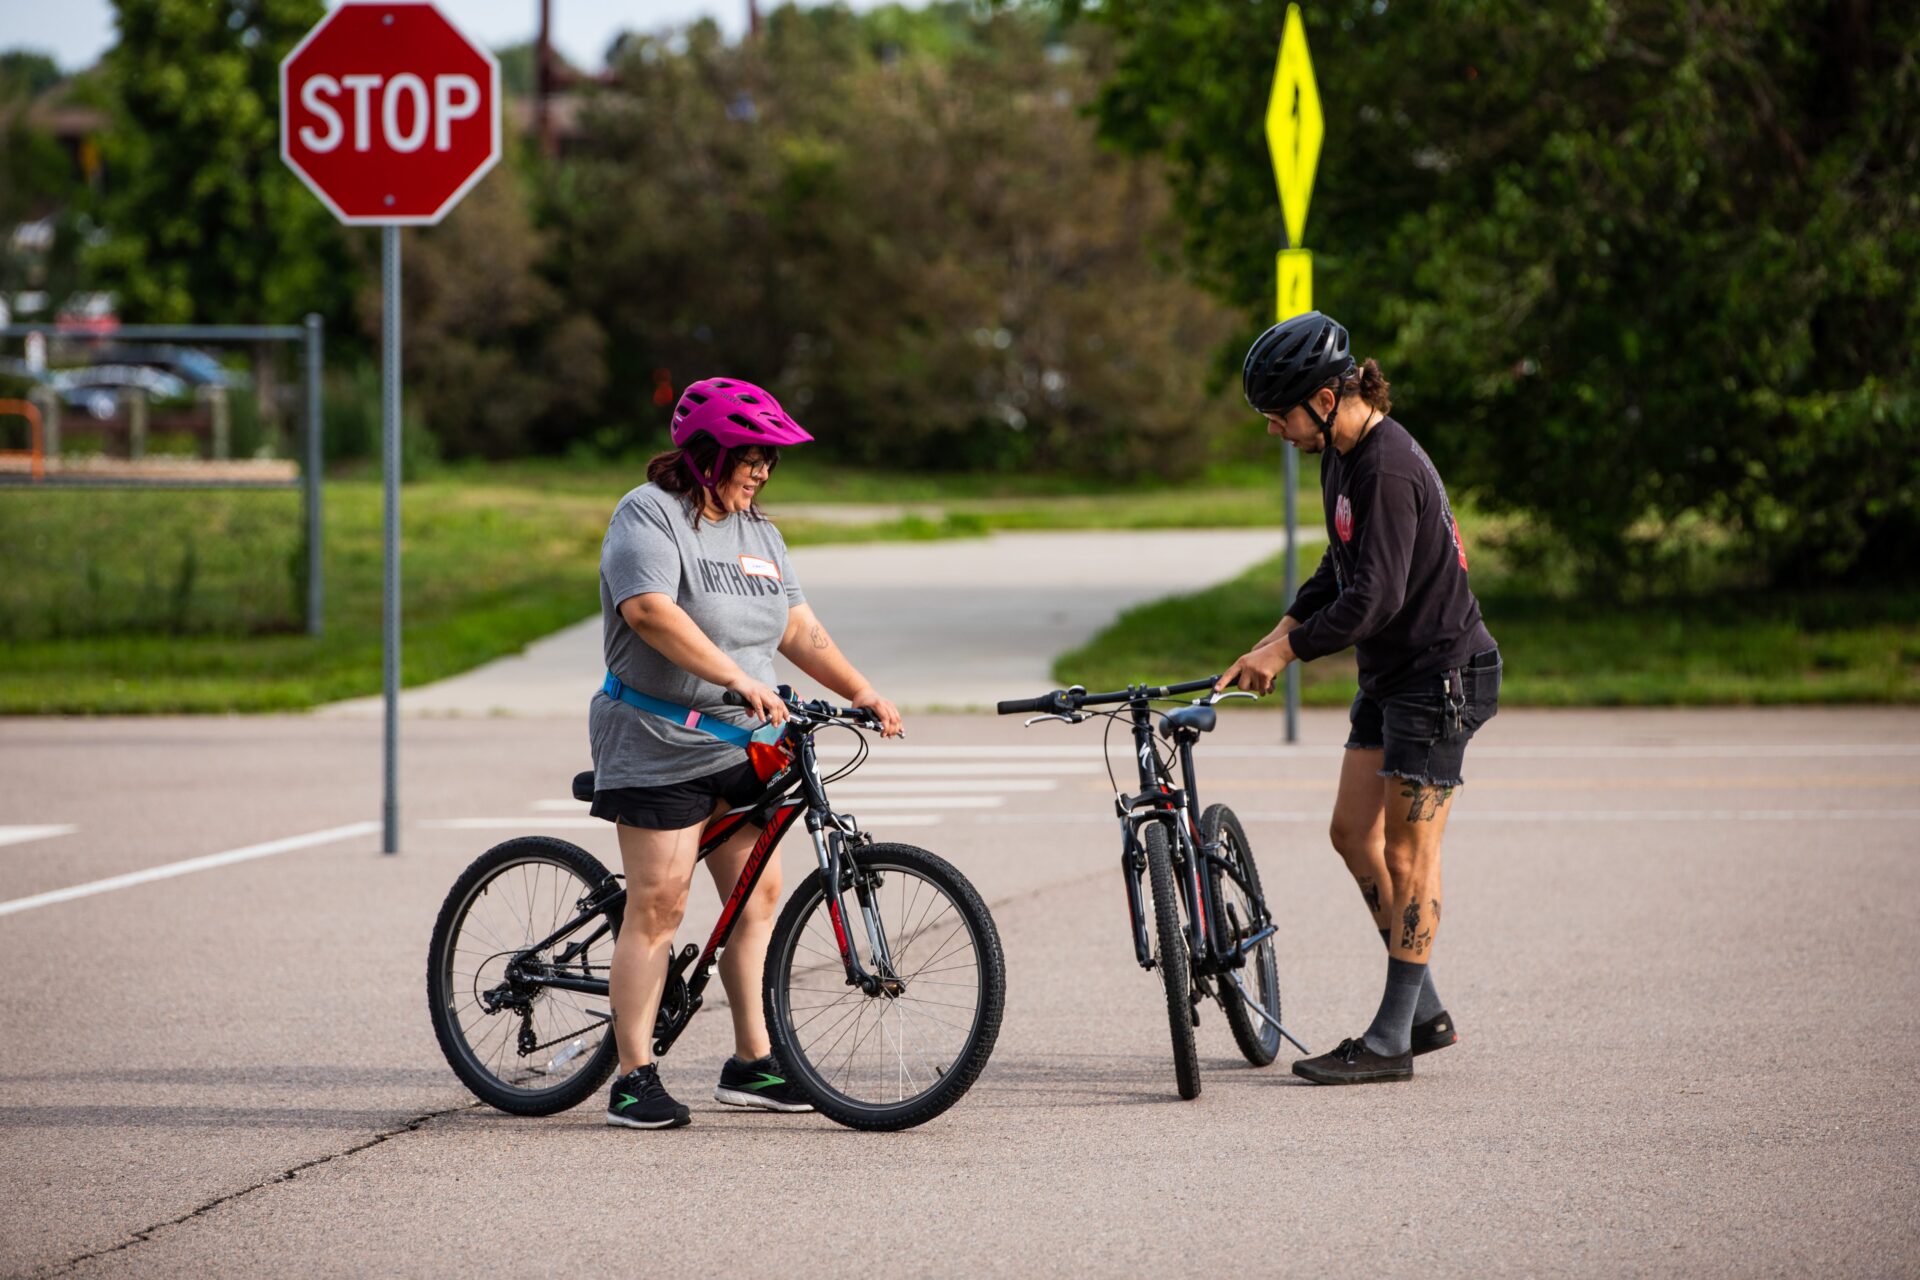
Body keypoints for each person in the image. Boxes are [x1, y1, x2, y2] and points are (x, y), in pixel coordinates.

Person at [590, 376, 903, 1128]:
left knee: (757, 897)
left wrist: (862, 690)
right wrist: (734, 676)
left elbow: (796, 626)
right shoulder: (649, 515)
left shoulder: (758, 532)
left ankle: (752, 1062)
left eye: (770, 459)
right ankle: (633, 1075)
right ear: (705, 454)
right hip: (659, 739)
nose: (762, 470)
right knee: (660, 905)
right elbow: (648, 612)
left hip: (745, 743)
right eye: (751, 456)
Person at [1219, 312, 1500, 1085]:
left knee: (1411, 856)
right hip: (1393, 677)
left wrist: (1288, 650)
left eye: (1278, 414)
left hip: (1440, 679)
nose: (1274, 429)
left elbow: (1373, 599)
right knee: (1352, 833)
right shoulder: (1339, 453)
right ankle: (1426, 1011)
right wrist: (1278, 627)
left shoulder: (1387, 465)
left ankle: (1391, 1042)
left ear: (1321, 396)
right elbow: (1340, 564)